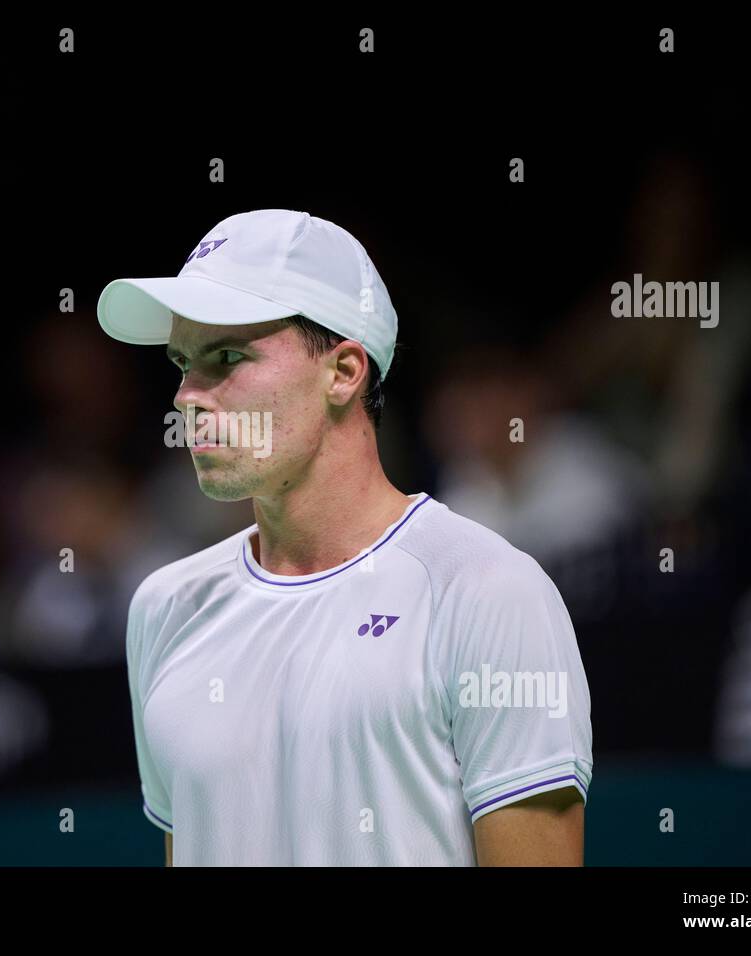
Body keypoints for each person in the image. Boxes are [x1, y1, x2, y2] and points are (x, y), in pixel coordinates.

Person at [97, 209, 593, 866]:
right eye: (184, 362)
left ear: (344, 371)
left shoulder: (488, 590)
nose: (188, 397)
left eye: (227, 356)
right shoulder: (164, 608)